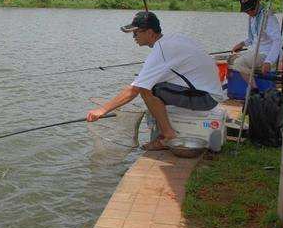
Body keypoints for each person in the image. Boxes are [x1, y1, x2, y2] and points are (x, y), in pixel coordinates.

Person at [86, 11, 224, 150]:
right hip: (209, 91)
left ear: (150, 32)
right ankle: (165, 131)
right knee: (150, 85)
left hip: (206, 98)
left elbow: (134, 90)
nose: (134, 37)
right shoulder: (174, 39)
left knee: (149, 90)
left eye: (136, 33)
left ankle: (168, 136)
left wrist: (102, 110)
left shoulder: (161, 50)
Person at [230, 0, 281, 89]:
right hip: (256, 51)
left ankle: (254, 90)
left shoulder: (267, 17)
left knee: (239, 63)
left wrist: (269, 61)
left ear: (258, 3)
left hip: (266, 53)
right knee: (232, 59)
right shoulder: (252, 18)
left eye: (251, 9)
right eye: (246, 10)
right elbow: (253, 38)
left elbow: (277, 41)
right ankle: (238, 88)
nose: (250, 12)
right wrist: (242, 44)